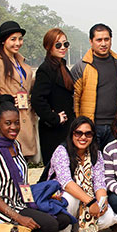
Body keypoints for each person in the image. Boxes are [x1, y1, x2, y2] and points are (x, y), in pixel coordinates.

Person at [0, 95, 71, 232]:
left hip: (21, 202)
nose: (13, 127)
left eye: (16, 123)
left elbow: (22, 182)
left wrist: (34, 204)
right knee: (51, 225)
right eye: (8, 123)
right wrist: (19, 217)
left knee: (63, 218)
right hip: (3, 209)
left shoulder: (16, 145)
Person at [47, 116, 117, 232]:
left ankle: (79, 228)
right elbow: (66, 183)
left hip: (87, 195)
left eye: (88, 134)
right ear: (72, 134)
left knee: (109, 217)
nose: (83, 137)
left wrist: (102, 202)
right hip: (60, 195)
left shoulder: (96, 154)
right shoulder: (62, 151)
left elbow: (99, 182)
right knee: (71, 198)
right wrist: (91, 202)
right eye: (78, 133)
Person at [0, 20, 37, 158]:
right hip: (10, 120)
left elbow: (26, 84)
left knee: (23, 160)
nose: (17, 43)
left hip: (25, 116)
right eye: (13, 39)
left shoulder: (19, 60)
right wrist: (4, 103)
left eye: (20, 39)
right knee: (9, 158)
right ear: (3, 41)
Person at [71, 23, 117, 150]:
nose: (103, 44)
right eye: (99, 40)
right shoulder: (82, 66)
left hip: (115, 126)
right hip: (91, 127)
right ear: (91, 41)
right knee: (92, 159)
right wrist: (80, 125)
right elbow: (75, 98)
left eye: (106, 39)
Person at [31, 27, 75, 168]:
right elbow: (37, 99)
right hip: (53, 131)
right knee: (55, 170)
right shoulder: (45, 69)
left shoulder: (61, 66)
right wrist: (54, 118)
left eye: (65, 44)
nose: (63, 48)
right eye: (58, 45)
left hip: (66, 128)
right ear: (48, 47)